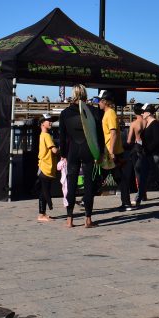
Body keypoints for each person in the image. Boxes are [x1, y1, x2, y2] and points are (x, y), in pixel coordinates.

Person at [59, 85, 104, 228]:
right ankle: (88, 219)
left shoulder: (65, 113)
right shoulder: (93, 111)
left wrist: (63, 154)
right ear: (85, 94)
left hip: (73, 150)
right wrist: (100, 152)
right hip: (88, 149)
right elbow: (99, 135)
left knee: (71, 183)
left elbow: (62, 137)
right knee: (89, 184)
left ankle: (69, 219)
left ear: (73, 94)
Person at [97, 93, 132, 211]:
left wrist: (111, 151)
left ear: (105, 101)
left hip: (112, 151)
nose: (98, 103)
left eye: (100, 101)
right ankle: (126, 203)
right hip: (112, 151)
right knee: (117, 177)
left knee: (107, 176)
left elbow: (113, 133)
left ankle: (126, 203)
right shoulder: (107, 113)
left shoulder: (110, 113)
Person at [137, 104, 159, 206]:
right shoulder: (147, 123)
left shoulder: (155, 124)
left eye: (144, 111)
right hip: (147, 154)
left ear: (149, 113)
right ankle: (138, 198)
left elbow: (157, 140)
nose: (142, 113)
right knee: (144, 176)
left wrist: (147, 148)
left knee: (158, 176)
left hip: (153, 154)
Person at [36, 114, 58, 222]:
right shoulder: (47, 136)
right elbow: (54, 150)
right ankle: (41, 215)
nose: (50, 122)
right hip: (46, 167)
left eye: (51, 120)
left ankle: (43, 213)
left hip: (44, 167)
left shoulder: (42, 135)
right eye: (48, 120)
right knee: (44, 192)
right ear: (42, 123)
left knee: (44, 192)